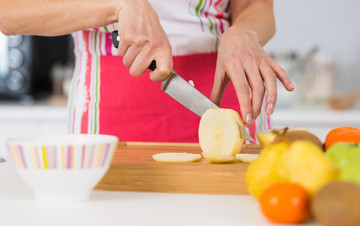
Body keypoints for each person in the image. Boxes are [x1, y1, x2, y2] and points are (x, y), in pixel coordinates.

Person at [0, 0, 293, 143]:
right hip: (110, 114)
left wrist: (244, 31)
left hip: (226, 95)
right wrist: (117, 6)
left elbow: (257, 6)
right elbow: (9, 11)